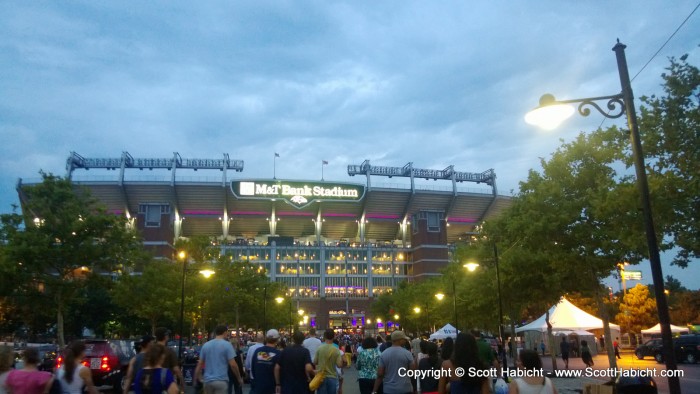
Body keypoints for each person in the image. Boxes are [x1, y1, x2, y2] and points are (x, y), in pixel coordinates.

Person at [195, 324, 244, 394]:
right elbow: (233, 365)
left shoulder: (206, 345)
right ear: (224, 333)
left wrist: (197, 378)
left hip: (208, 381)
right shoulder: (227, 345)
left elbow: (200, 364)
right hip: (221, 380)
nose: (227, 334)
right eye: (227, 332)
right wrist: (239, 378)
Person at [250, 329, 282, 394]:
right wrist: (278, 384)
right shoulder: (278, 354)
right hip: (271, 388)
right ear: (277, 340)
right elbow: (279, 371)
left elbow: (252, 368)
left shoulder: (257, 351)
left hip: (258, 387)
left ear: (266, 338)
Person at [313, 329, 343, 394]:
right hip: (332, 377)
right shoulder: (336, 349)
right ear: (334, 336)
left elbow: (315, 362)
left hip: (321, 378)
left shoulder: (319, 348)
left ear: (324, 337)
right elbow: (339, 365)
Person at [154, 327, 184, 392]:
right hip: (167, 383)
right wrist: (182, 383)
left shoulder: (150, 351)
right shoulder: (169, 351)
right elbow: (176, 369)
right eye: (167, 335)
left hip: (152, 382)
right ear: (165, 337)